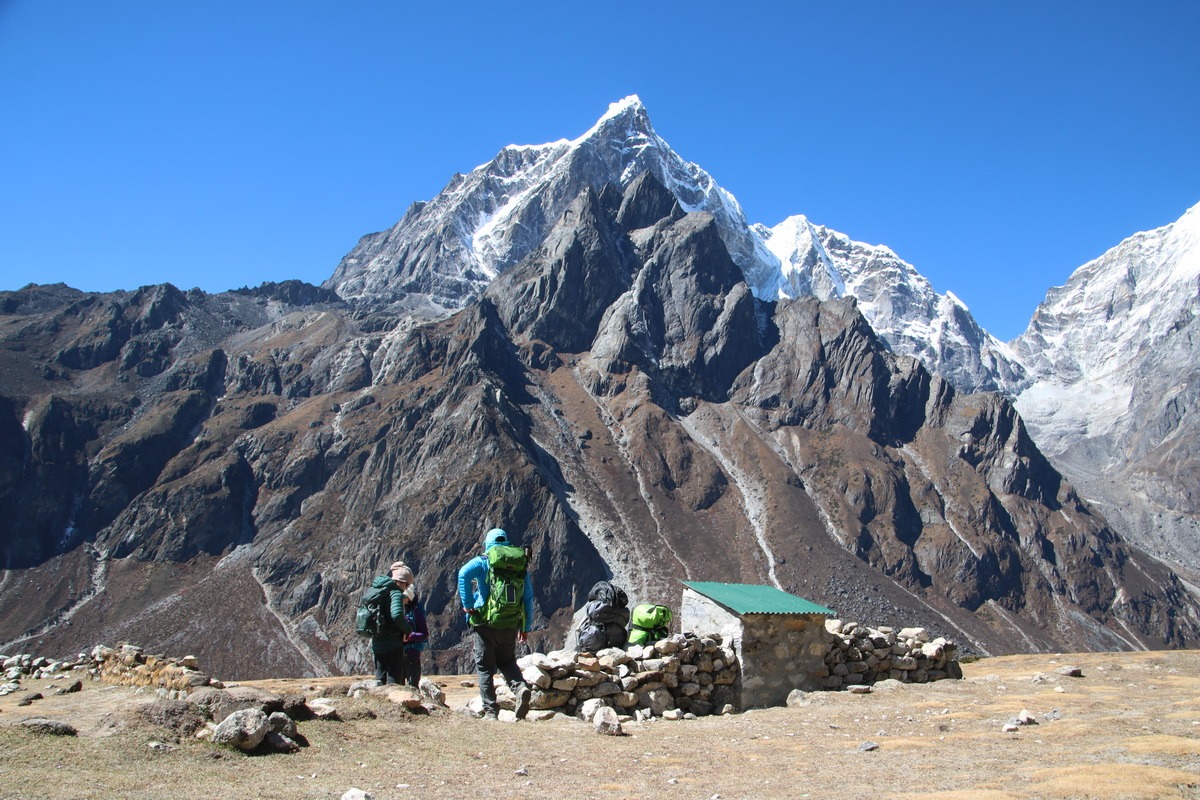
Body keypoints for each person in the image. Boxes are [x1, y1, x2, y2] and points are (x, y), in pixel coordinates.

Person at [457, 527, 533, 720]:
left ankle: (491, 712)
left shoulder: (484, 562)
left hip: (485, 623)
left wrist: (468, 606)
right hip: (509, 623)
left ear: (487, 544)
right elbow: (528, 598)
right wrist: (525, 627)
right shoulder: (518, 565)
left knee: (484, 667)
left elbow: (463, 574)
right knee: (507, 662)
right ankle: (520, 688)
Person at [370, 561, 410, 685]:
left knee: (380, 675)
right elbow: (397, 615)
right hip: (392, 643)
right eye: (407, 585)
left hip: (377, 641)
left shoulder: (378, 591)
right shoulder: (395, 593)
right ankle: (394, 702)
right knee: (394, 676)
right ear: (403, 582)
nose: (406, 589)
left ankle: (379, 701)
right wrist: (408, 630)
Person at [391, 563, 429, 687]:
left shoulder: (416, 611)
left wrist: (410, 636)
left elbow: (424, 633)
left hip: (412, 654)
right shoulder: (397, 607)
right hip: (397, 652)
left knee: (413, 685)